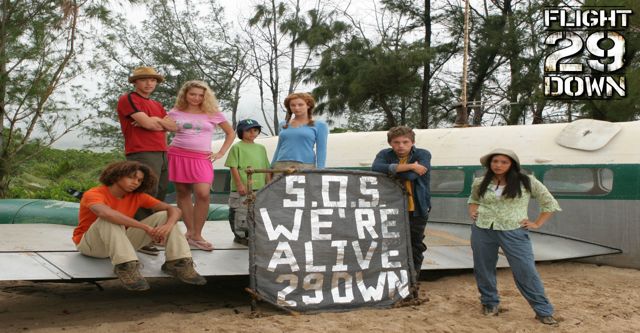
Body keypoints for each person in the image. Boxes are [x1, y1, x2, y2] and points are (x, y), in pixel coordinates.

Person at [73, 161, 206, 291]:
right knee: (108, 218)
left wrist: (167, 226)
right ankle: (126, 267)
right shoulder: (94, 193)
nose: (136, 182)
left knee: (165, 215)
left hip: (119, 242)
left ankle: (177, 263)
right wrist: (146, 228)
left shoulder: (138, 196)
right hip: (91, 245)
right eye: (131, 178)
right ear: (117, 175)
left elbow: (175, 210)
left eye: (140, 180)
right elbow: (104, 213)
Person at [467, 148, 561, 325]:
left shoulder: (526, 181)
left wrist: (537, 223)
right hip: (482, 229)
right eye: (495, 161)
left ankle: (543, 310)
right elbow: (473, 200)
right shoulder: (480, 182)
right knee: (483, 268)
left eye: (504, 162)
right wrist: (473, 212)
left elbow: (549, 203)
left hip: (513, 231)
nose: (498, 165)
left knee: (525, 270)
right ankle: (489, 303)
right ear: (489, 164)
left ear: (512, 165)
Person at [166, 80, 235, 251]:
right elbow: (160, 127)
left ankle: (197, 233)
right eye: (192, 94)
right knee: (183, 194)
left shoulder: (212, 113)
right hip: (178, 154)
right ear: (185, 95)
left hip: (202, 158)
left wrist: (220, 153)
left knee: (203, 193)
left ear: (206, 97)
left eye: (200, 95)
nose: (196, 98)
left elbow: (231, 133)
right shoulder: (175, 112)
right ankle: (191, 233)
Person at [117, 66, 176, 255]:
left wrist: (155, 121)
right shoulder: (128, 99)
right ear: (135, 82)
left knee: (159, 193)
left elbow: (174, 126)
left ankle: (154, 234)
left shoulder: (157, 105)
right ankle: (139, 237)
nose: (149, 83)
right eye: (144, 79)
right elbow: (147, 123)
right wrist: (156, 122)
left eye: (153, 80)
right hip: (142, 152)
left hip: (161, 152)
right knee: (144, 192)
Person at [372, 126, 431, 279]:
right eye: (396, 142)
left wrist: (390, 171)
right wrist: (412, 165)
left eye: (405, 142)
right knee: (390, 243)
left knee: (415, 245)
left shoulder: (423, 154)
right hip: (391, 207)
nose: (401, 146)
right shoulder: (384, 154)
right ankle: (394, 278)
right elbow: (376, 168)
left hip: (417, 208)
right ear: (390, 143)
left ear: (412, 142)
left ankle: (413, 279)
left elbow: (412, 177)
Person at [224, 119, 272, 245]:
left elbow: (265, 168)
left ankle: (253, 235)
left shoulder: (261, 148)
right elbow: (233, 166)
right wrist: (239, 184)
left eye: (255, 130)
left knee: (256, 212)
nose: (252, 133)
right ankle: (240, 236)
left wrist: (269, 185)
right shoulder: (236, 147)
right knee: (240, 211)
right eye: (248, 130)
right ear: (241, 132)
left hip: (258, 188)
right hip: (242, 188)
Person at [271, 92, 328, 170]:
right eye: (293, 105)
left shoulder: (320, 125)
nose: (296, 108)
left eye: (300, 105)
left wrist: (320, 170)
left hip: (306, 166)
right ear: (289, 107)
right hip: (280, 165)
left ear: (308, 105)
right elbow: (279, 148)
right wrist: (271, 167)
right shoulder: (283, 124)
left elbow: (321, 150)